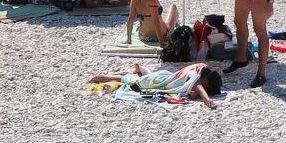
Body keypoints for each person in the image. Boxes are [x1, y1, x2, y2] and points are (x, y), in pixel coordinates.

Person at [88, 61, 225, 108]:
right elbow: (199, 89)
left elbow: (196, 90)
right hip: (158, 81)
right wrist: (208, 101)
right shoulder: (196, 77)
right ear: (205, 80)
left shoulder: (201, 67)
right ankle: (103, 77)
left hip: (165, 77)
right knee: (129, 80)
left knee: (150, 76)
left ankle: (140, 68)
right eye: (206, 86)